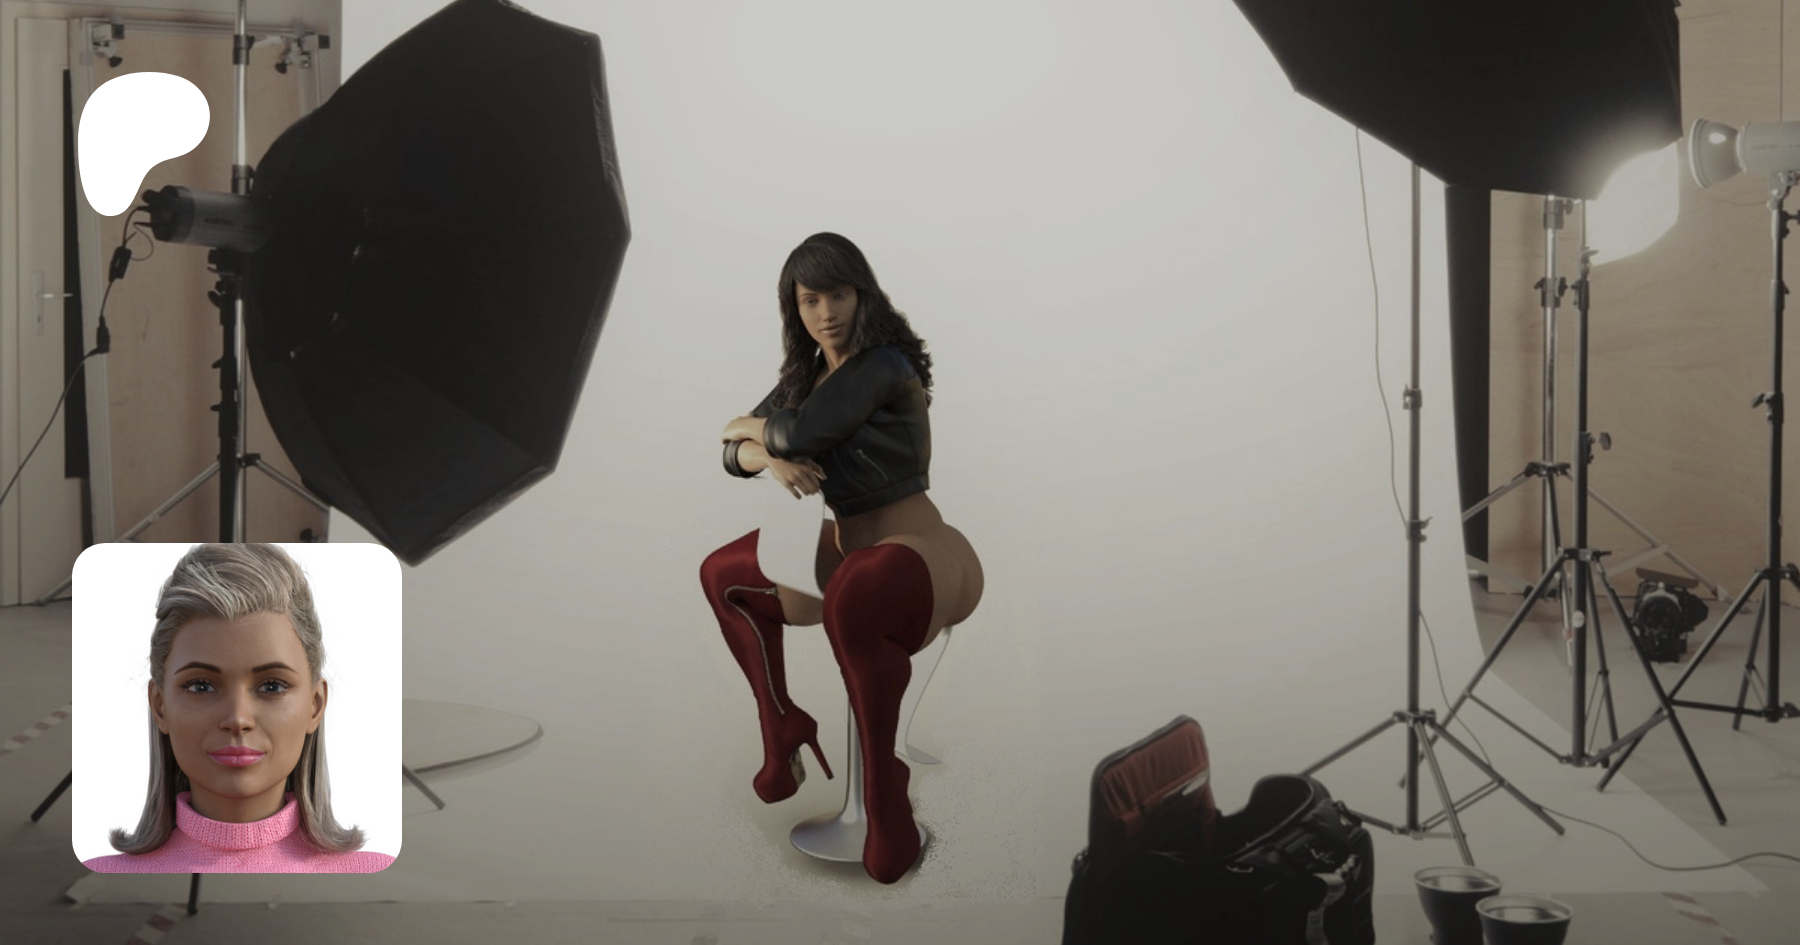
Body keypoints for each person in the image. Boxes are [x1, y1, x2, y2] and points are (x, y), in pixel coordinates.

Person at [700, 232, 984, 884]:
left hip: (921, 551)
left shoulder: (884, 364)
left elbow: (795, 430)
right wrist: (768, 456)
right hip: (845, 550)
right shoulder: (805, 379)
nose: (826, 312)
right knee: (724, 575)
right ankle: (782, 721)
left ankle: (887, 801)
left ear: (862, 295)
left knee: (858, 590)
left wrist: (754, 430)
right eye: (810, 300)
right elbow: (731, 452)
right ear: (794, 308)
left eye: (837, 295)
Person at [83, 544, 392, 874]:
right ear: (160, 707)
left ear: (315, 707)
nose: (237, 719)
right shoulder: (105, 876)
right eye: (201, 686)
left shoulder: (374, 875)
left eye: (272, 686)